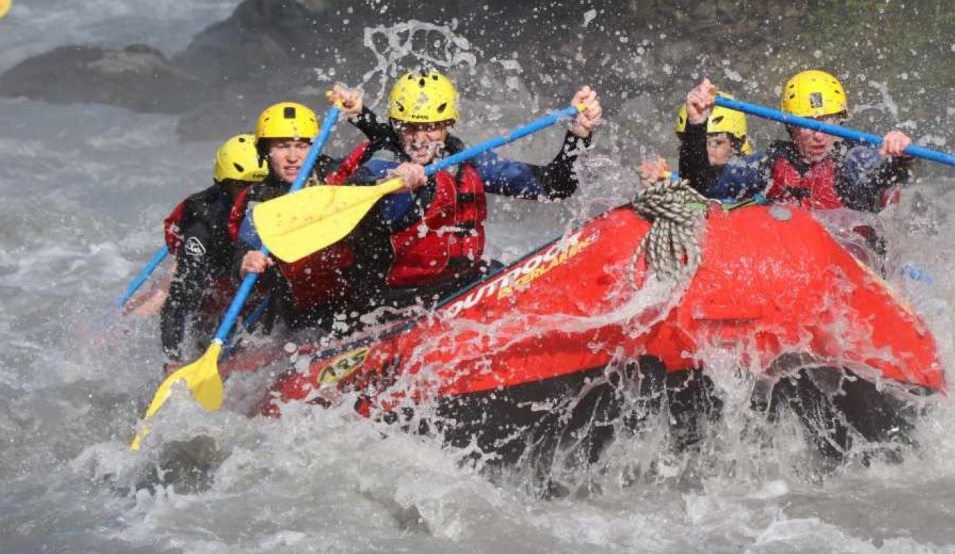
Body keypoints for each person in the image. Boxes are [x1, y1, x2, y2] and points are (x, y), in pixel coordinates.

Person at [325, 70, 603, 308]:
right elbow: (353, 191)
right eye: (410, 127)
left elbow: (554, 187)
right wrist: (390, 186)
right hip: (393, 304)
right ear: (396, 126)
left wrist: (578, 136)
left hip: (457, 289)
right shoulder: (383, 160)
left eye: (432, 127)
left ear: (449, 125)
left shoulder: (467, 162)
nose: (420, 139)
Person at [676, 71, 914, 211]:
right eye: (807, 124)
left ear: (840, 121)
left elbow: (884, 174)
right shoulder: (772, 163)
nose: (818, 135)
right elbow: (702, 185)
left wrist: (899, 157)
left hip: (847, 267)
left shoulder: (852, 161)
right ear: (790, 126)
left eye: (827, 121)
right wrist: (696, 125)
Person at [231, 101, 372, 333]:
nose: (293, 157)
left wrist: (361, 114)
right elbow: (240, 261)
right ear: (265, 151)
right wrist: (245, 265)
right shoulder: (259, 201)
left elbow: (388, 145)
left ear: (314, 148)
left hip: (358, 293)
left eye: (301, 146)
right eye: (283, 147)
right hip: (303, 310)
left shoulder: (335, 174)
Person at [159, 134, 267, 369]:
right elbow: (179, 299)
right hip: (216, 274)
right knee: (189, 295)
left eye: (259, 186)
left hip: (252, 275)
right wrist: (173, 361)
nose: (251, 195)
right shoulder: (204, 220)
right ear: (225, 186)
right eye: (242, 186)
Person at [638, 94, 759, 199]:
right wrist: (662, 191)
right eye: (696, 145)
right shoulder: (683, 178)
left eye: (715, 143)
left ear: (736, 145)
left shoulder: (755, 172)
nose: (703, 152)